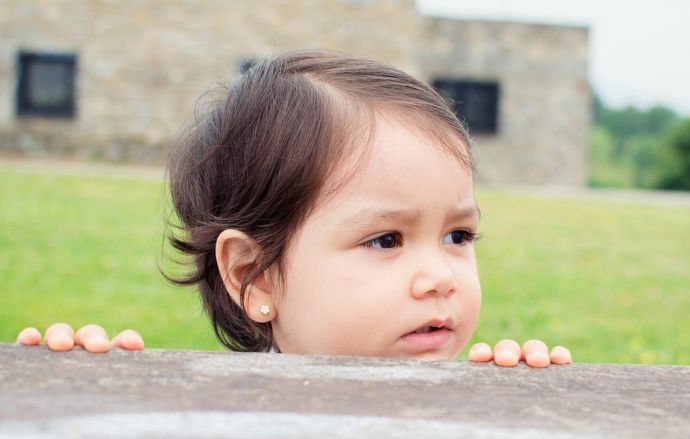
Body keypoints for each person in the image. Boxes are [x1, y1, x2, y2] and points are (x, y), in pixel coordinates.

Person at [16, 49, 572, 369]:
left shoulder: (476, 415)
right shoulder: (209, 427)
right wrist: (90, 389)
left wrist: (523, 396)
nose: (440, 278)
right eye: (386, 240)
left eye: (458, 237)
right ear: (253, 277)